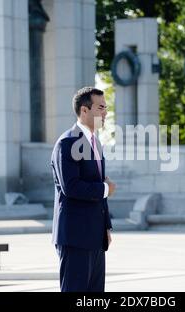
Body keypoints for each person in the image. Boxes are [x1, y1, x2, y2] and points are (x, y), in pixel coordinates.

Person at [50, 87, 116, 292]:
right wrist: (105, 189)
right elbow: (71, 187)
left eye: (106, 108)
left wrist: (106, 226)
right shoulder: (67, 142)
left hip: (95, 237)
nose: (105, 113)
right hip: (75, 237)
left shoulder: (96, 143)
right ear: (84, 111)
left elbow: (96, 182)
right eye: (101, 107)